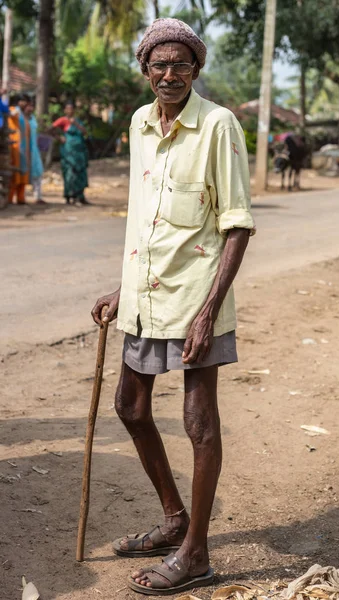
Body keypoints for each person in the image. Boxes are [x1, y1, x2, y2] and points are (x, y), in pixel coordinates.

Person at [92, 18, 255, 596]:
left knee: (198, 421)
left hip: (195, 298)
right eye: (158, 65)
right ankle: (174, 519)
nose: (169, 74)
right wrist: (122, 286)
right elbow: (146, 218)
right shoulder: (139, 122)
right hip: (144, 293)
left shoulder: (217, 125)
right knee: (129, 407)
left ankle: (198, 554)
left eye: (180, 64)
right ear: (145, 70)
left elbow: (237, 225)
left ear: (195, 69)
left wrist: (210, 310)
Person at [51, 102, 90, 205]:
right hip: (68, 152)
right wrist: (59, 138)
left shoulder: (78, 121)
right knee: (70, 173)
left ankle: (80, 196)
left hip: (79, 152)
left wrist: (76, 124)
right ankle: (70, 195)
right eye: (68, 109)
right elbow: (50, 129)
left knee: (80, 173)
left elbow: (85, 133)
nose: (70, 111)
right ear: (65, 110)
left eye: (72, 109)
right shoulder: (62, 120)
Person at [8, 93, 31, 204]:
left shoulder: (23, 115)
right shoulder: (14, 110)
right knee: (14, 173)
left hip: (24, 147)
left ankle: (21, 198)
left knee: (23, 173)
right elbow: (11, 114)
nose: (25, 103)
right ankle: (9, 198)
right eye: (23, 101)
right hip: (15, 146)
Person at [24, 101, 45, 203]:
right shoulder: (21, 118)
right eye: (29, 106)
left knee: (38, 171)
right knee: (23, 171)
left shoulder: (33, 118)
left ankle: (38, 196)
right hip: (24, 148)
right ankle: (21, 196)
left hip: (34, 149)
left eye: (32, 106)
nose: (30, 109)